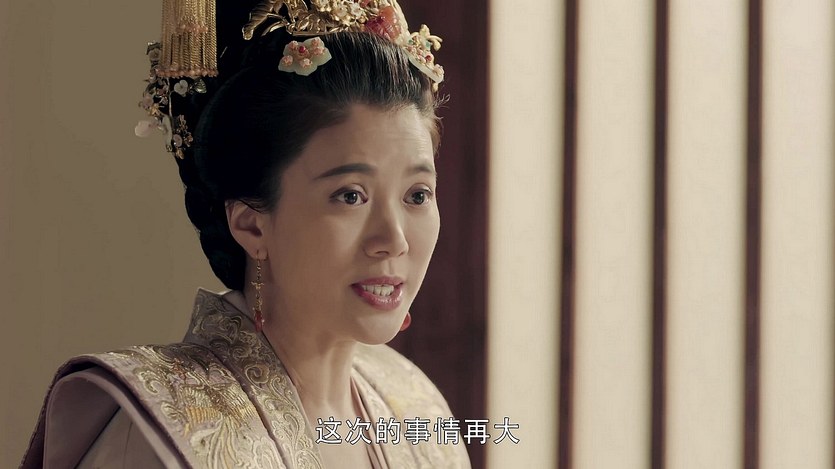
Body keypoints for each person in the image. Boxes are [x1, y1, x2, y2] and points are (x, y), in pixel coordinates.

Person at [20, 0, 470, 467]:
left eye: (417, 195)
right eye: (350, 195)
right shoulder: (168, 434)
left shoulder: (418, 410)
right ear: (251, 224)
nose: (394, 240)